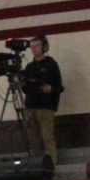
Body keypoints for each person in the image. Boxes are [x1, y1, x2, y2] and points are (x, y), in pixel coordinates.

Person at [21, 35, 64, 165]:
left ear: (44, 47)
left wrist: (50, 89)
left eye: (37, 45)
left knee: (47, 139)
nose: (34, 49)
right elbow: (25, 89)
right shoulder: (29, 67)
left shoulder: (51, 64)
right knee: (33, 140)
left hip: (46, 107)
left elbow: (59, 87)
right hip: (30, 107)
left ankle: (51, 165)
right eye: (32, 46)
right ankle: (35, 165)